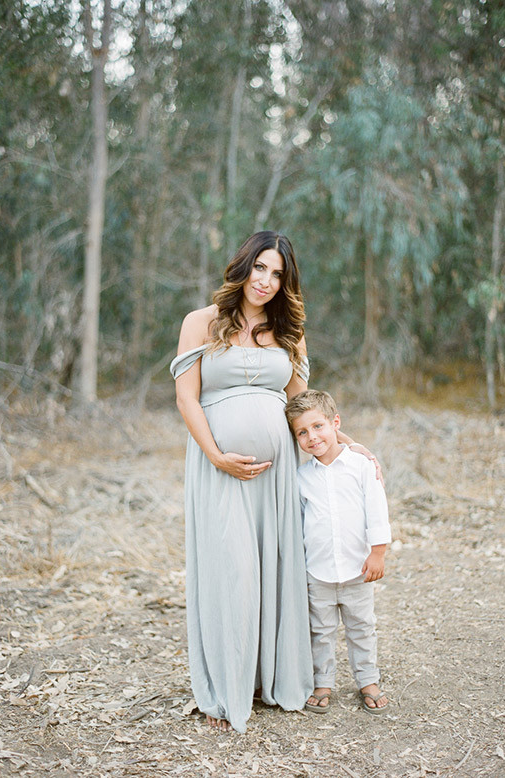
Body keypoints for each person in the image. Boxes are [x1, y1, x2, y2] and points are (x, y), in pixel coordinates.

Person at [170, 232, 380, 733]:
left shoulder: (288, 331)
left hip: (279, 476)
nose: (266, 281)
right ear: (242, 266)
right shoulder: (200, 323)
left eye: (278, 274)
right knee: (233, 570)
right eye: (260, 268)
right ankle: (225, 690)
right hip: (218, 470)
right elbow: (186, 400)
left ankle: (267, 678)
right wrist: (218, 456)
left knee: (276, 570)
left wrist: (347, 441)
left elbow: (303, 407)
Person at [284, 389, 391, 715]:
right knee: (321, 631)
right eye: (302, 432)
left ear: (335, 423)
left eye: (318, 427)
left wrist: (378, 553)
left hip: (358, 568)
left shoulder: (360, 466)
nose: (312, 437)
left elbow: (377, 510)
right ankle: (323, 682)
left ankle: (368, 680)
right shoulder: (302, 477)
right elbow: (300, 525)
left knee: (361, 627)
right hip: (319, 571)